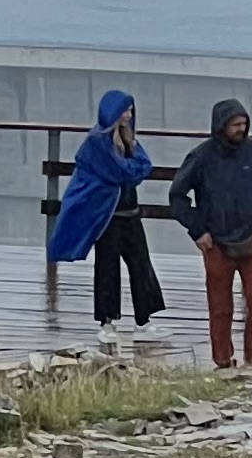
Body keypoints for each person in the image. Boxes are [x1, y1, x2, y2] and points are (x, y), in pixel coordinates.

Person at [48, 88, 166, 335]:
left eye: (131, 110)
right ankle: (107, 321)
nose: (129, 115)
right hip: (108, 217)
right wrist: (131, 168)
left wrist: (131, 166)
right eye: (125, 110)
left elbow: (142, 166)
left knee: (141, 265)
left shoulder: (129, 138)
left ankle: (143, 320)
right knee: (107, 267)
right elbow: (121, 171)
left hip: (130, 214)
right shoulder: (96, 142)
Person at [169, 94, 252, 367]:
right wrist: (197, 230)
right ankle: (223, 360)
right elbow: (177, 196)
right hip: (215, 243)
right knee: (220, 307)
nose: (240, 129)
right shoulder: (201, 157)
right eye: (234, 124)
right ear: (221, 125)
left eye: (243, 123)